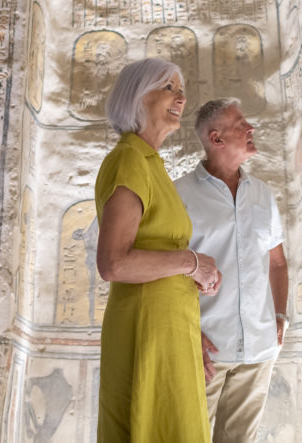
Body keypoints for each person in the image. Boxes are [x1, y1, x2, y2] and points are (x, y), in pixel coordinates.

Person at [94, 57, 222, 442]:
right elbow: (113, 263)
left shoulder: (151, 165)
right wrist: (193, 263)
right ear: (137, 96)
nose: (181, 97)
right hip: (148, 329)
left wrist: (190, 331)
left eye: (181, 89)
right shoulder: (130, 159)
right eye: (168, 87)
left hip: (168, 327)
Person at [175, 98, 289, 442]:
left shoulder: (263, 195)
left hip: (259, 348)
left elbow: (278, 263)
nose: (250, 128)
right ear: (216, 138)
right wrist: (187, 332)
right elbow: (166, 275)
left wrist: (280, 317)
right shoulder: (178, 196)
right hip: (204, 350)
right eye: (241, 123)